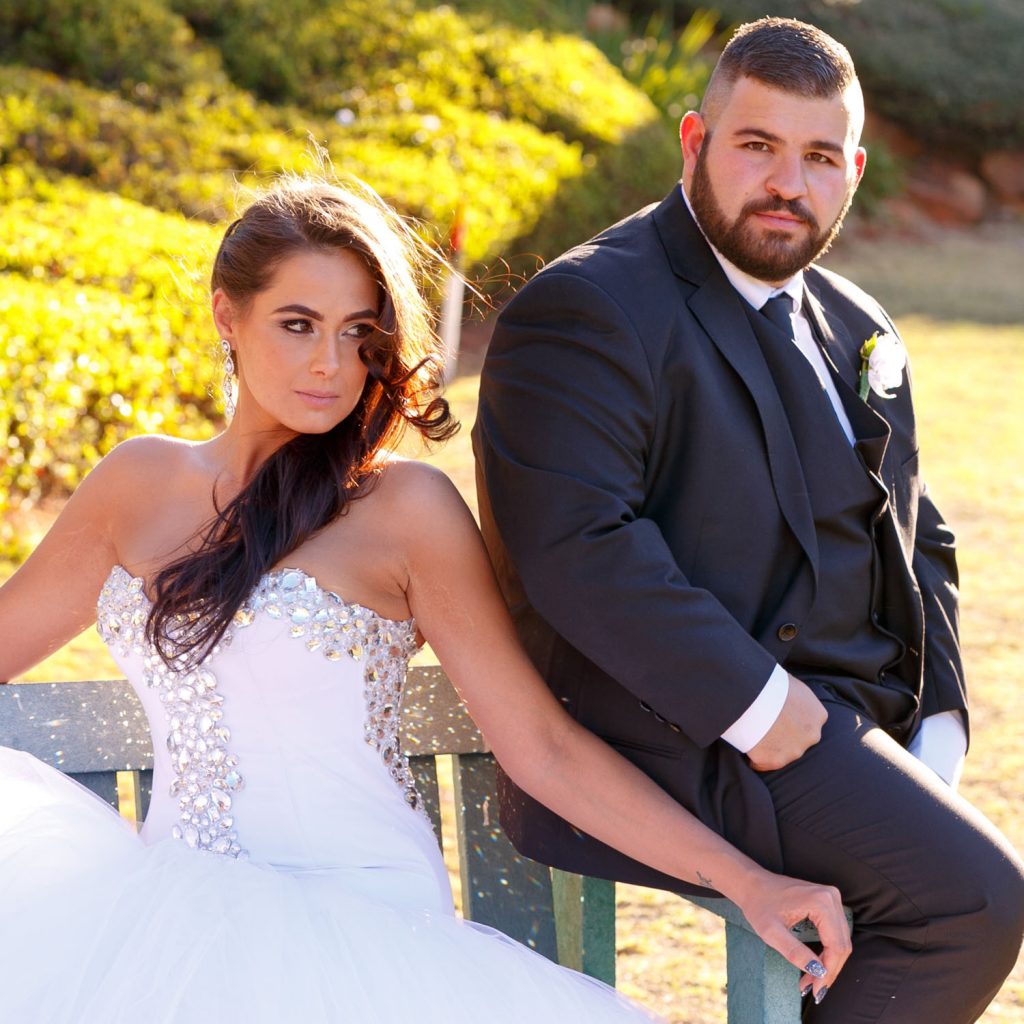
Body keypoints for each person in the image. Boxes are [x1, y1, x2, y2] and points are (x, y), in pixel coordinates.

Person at [0, 173, 853, 1022]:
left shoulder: (404, 509)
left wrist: (744, 879)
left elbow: (542, 749)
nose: (329, 365)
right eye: (297, 325)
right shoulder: (136, 484)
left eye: (356, 333)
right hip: (171, 926)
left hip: (369, 928)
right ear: (229, 314)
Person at [474, 16, 1024, 1023]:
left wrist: (935, 734)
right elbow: (577, 546)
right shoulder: (588, 307)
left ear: (852, 172)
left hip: (850, 730)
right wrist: (761, 709)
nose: (788, 182)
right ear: (695, 143)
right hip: (681, 740)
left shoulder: (855, 323)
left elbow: (918, 536)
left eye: (819, 157)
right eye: (757, 146)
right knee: (972, 902)